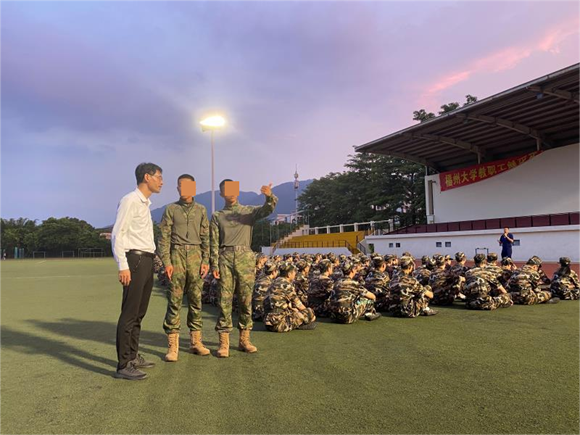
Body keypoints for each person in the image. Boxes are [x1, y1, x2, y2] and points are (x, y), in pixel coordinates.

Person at [210, 179, 278, 358]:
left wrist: (269, 197)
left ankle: (244, 340)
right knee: (224, 301)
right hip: (225, 257)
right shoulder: (217, 216)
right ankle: (224, 343)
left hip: (245, 258)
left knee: (246, 300)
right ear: (221, 193)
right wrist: (214, 263)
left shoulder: (249, 211)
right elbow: (213, 242)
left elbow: (267, 210)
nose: (230, 193)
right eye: (226, 190)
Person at [111, 162, 163, 380]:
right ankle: (124, 364)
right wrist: (123, 265)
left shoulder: (145, 204)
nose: (161, 182)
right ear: (147, 177)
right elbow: (118, 234)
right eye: (159, 177)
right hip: (135, 261)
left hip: (147, 260)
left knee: (139, 313)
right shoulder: (130, 200)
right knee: (130, 313)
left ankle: (133, 356)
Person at [158, 174, 210, 362]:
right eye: (181, 185)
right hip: (176, 256)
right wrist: (167, 262)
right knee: (174, 301)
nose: (184, 189)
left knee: (196, 300)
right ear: (178, 188)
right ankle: (173, 346)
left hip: (196, 256)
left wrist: (206, 260)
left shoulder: (201, 210)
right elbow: (163, 238)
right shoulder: (171, 209)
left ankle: (196, 342)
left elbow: (206, 237)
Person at [263, 262, 317, 332]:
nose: (295, 274)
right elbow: (299, 305)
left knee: (294, 311)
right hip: (280, 324)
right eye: (294, 272)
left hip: (268, 322)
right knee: (309, 312)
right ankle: (300, 324)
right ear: (289, 274)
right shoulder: (287, 285)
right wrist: (309, 315)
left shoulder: (273, 282)